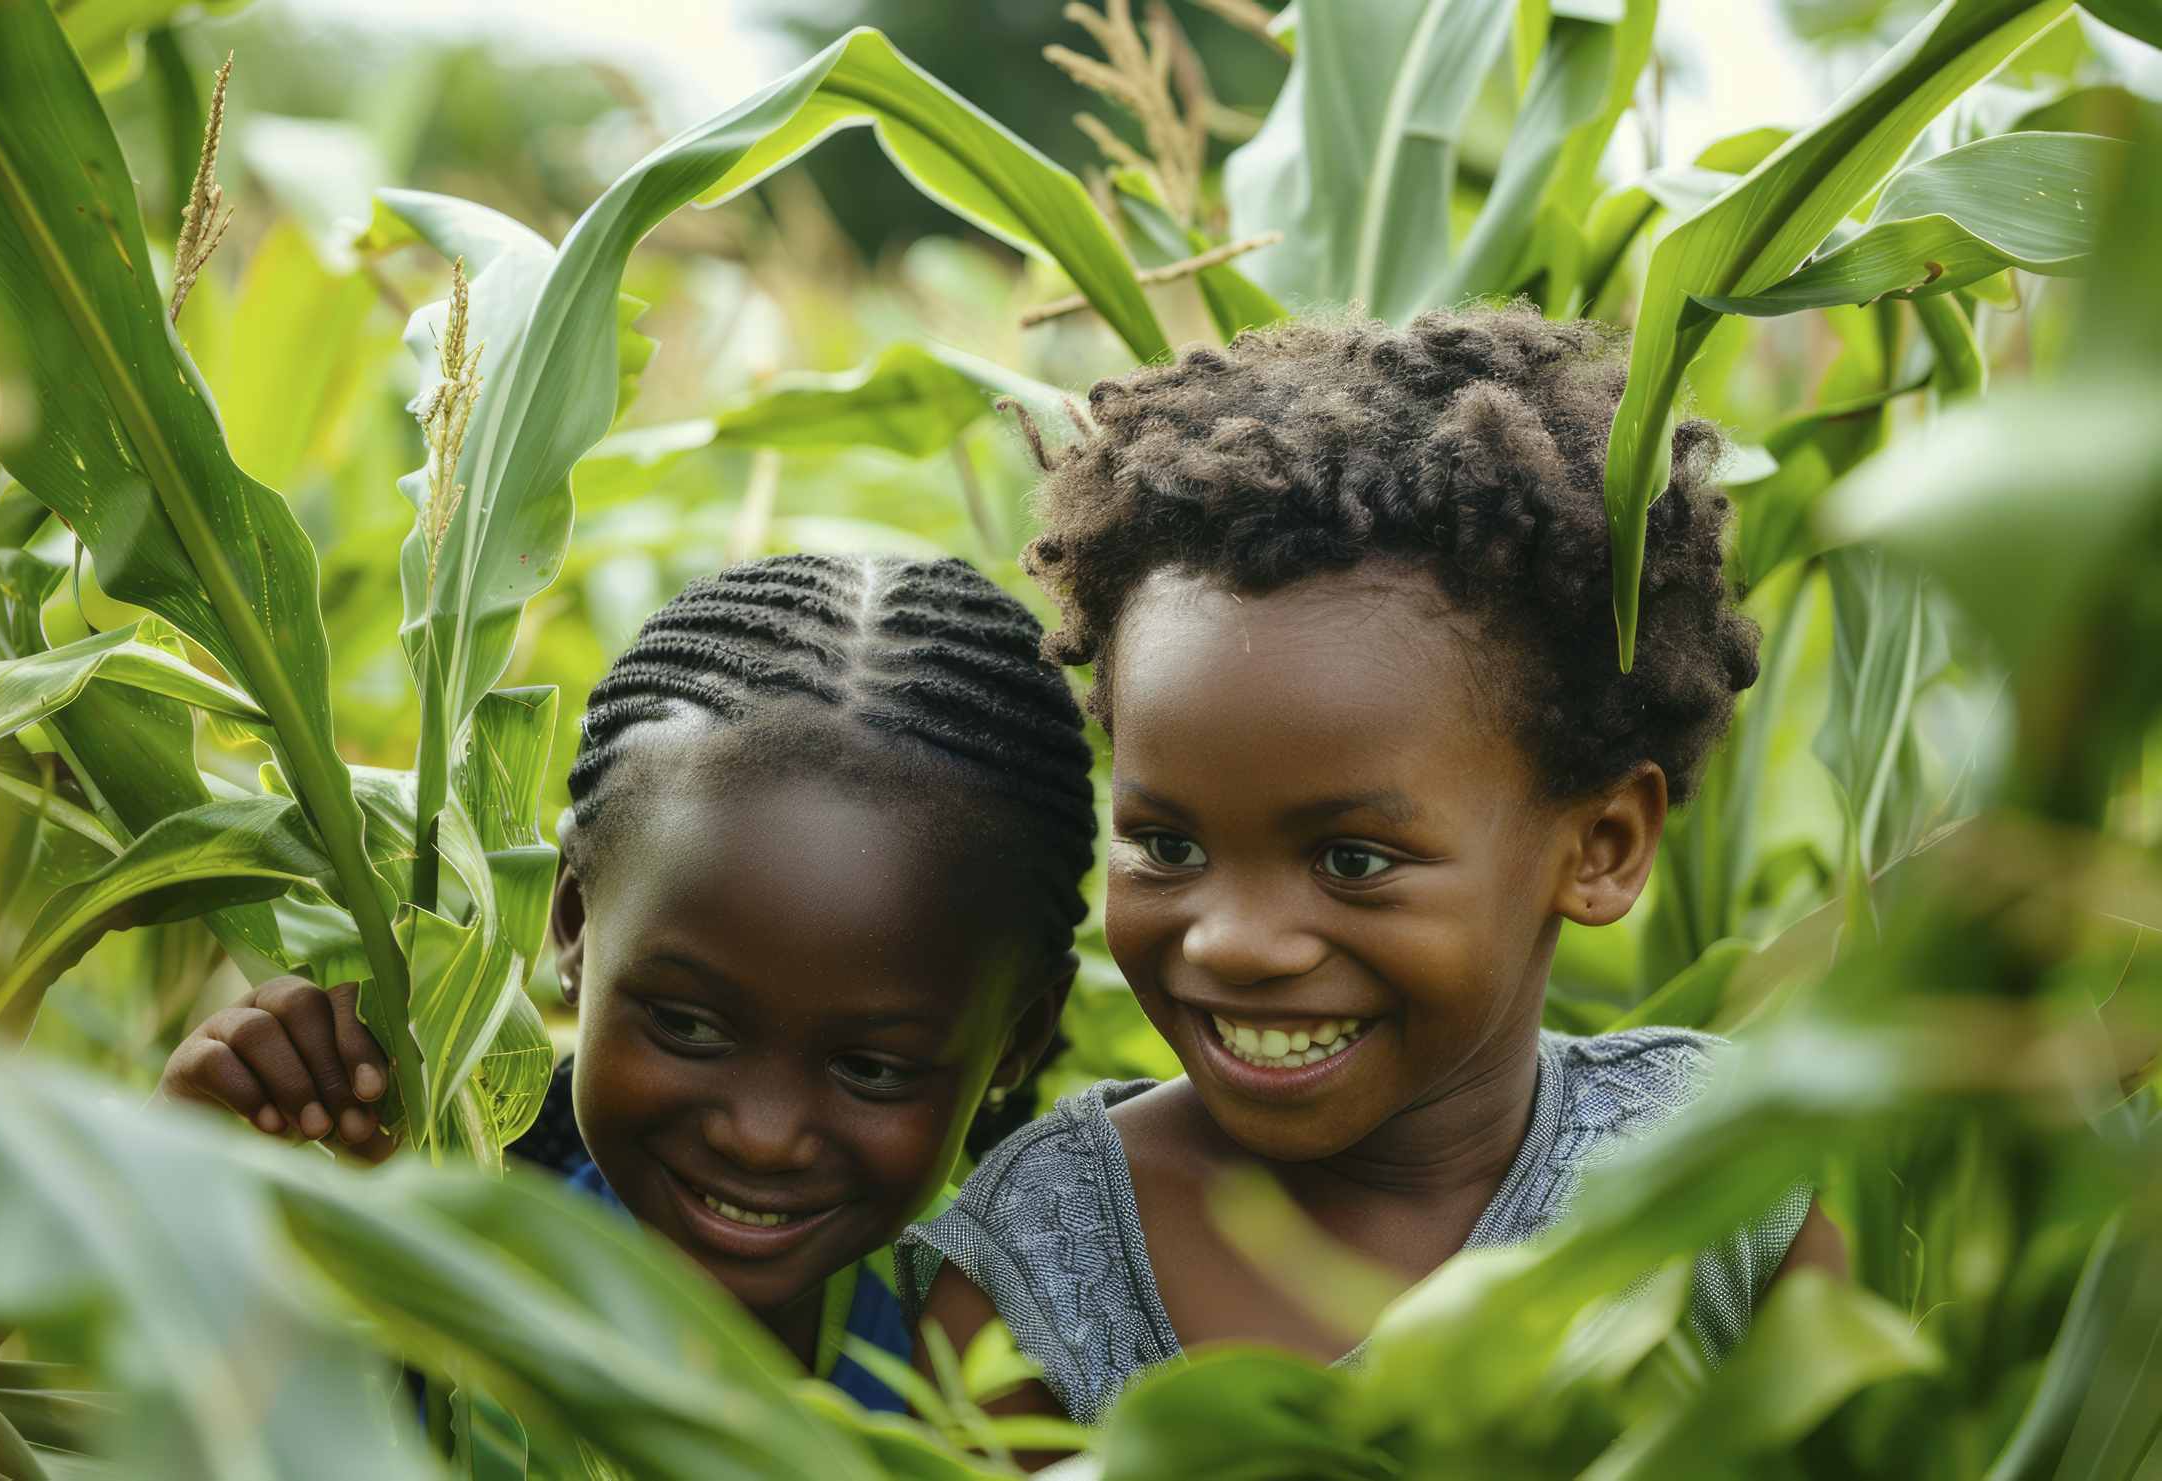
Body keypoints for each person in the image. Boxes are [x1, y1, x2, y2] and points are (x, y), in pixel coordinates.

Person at [898, 305, 1847, 1426]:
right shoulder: (1037, 1264)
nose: (1231, 941)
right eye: (1167, 845)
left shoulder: (1721, 1183)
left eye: (1350, 858)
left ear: (1600, 846)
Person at [159, 553, 1100, 1413]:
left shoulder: (1027, 1361)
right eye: (690, 1026)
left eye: (874, 1069)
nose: (761, 1136)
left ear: (1016, 1037)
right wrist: (175, 1183)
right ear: (570, 919)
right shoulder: (421, 1221)